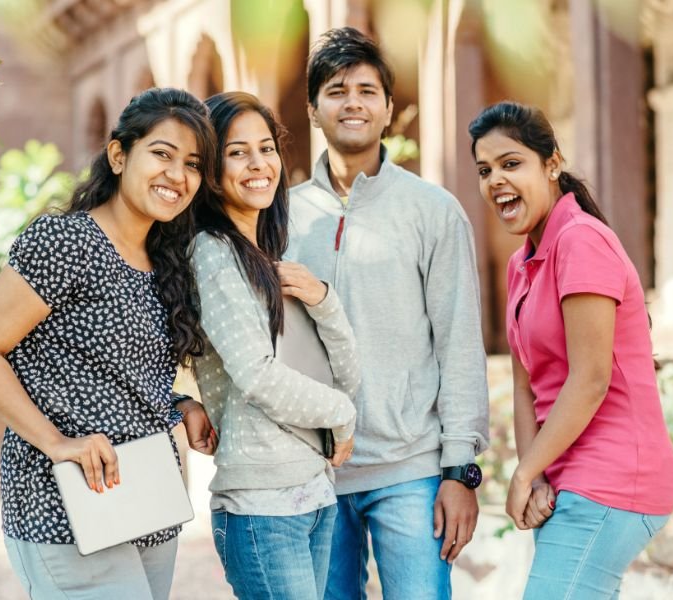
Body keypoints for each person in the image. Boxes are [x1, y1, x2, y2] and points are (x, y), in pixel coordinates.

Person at [0, 87, 219, 600]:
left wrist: (178, 403)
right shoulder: (65, 242)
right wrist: (56, 442)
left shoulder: (166, 262)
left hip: (149, 505)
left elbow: (119, 373)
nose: (177, 175)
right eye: (161, 154)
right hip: (67, 505)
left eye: (192, 164)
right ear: (119, 155)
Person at [285, 27, 490, 600]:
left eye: (367, 90)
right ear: (313, 108)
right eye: (336, 90)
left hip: (411, 471)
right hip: (312, 474)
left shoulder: (433, 211)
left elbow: (458, 342)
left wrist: (459, 471)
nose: (353, 102)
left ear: (388, 108)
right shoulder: (282, 216)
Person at [468, 101, 673, 599]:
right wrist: (535, 473)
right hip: (568, 482)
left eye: (511, 163)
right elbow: (525, 386)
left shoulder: (580, 240)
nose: (496, 180)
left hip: (614, 476)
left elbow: (591, 378)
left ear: (552, 163)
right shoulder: (522, 264)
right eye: (485, 170)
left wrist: (523, 474)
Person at [190, 91, 360, 600]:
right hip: (260, 505)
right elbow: (259, 376)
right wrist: (344, 415)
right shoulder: (212, 253)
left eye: (266, 148)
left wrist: (325, 301)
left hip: (314, 493)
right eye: (238, 152)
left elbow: (344, 374)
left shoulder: (274, 255)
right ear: (212, 169)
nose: (258, 164)